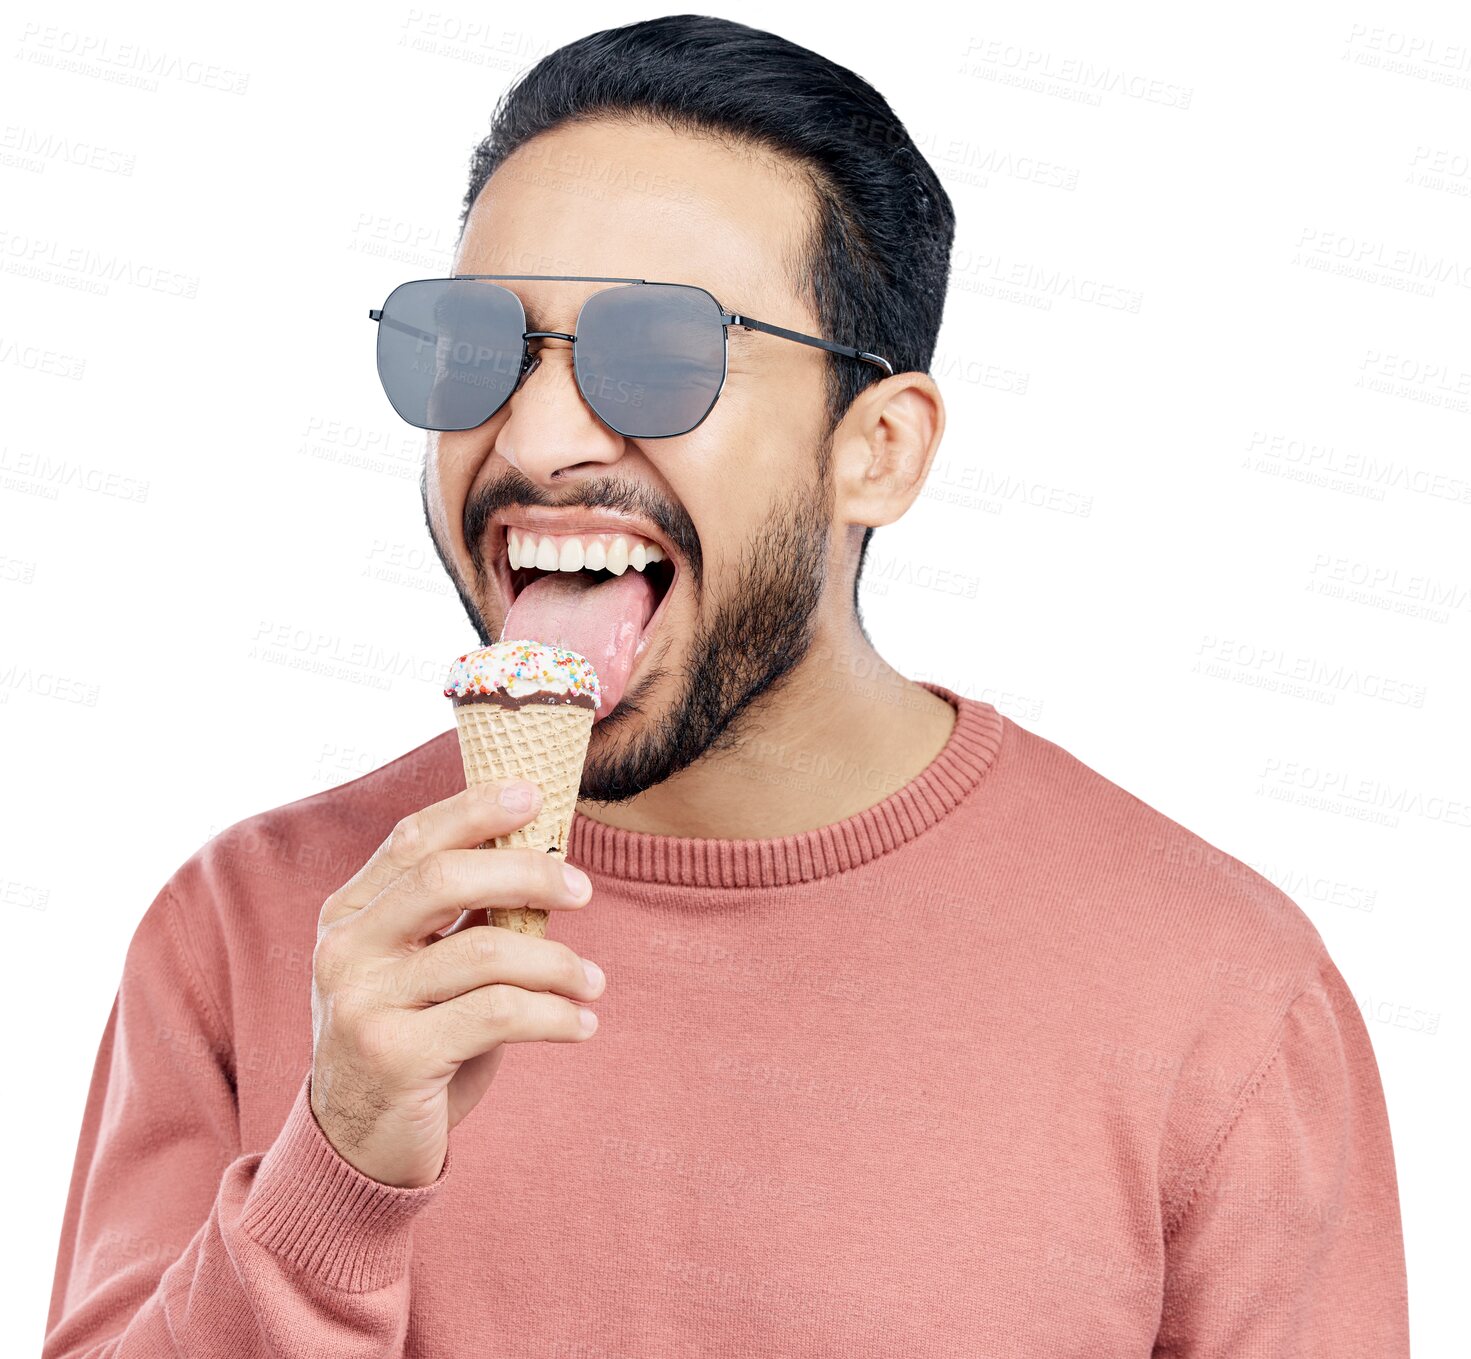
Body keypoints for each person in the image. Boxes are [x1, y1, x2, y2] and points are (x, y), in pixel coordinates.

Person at [44, 14, 1409, 1357]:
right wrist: (335, 1169)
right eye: (477, 347)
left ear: (875, 449)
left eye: (658, 357)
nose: (535, 434)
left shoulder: (1218, 996)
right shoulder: (246, 927)